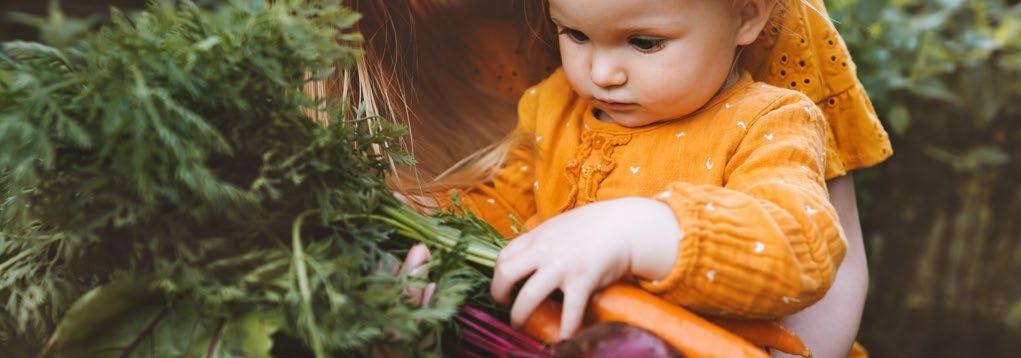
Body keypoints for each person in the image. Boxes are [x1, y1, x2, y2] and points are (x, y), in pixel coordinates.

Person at [326, 1, 892, 356]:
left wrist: (646, 230)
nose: (600, 72)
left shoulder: (768, 121)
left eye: (644, 43)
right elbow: (505, 209)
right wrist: (422, 230)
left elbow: (804, 240)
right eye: (573, 34)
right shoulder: (552, 107)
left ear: (747, 15)